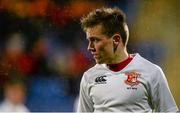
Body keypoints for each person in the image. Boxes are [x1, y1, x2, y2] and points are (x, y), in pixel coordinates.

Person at [77, 7, 179, 112]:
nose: (90, 47)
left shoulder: (151, 72)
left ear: (116, 40)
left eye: (95, 40)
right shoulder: (89, 77)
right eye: (89, 41)